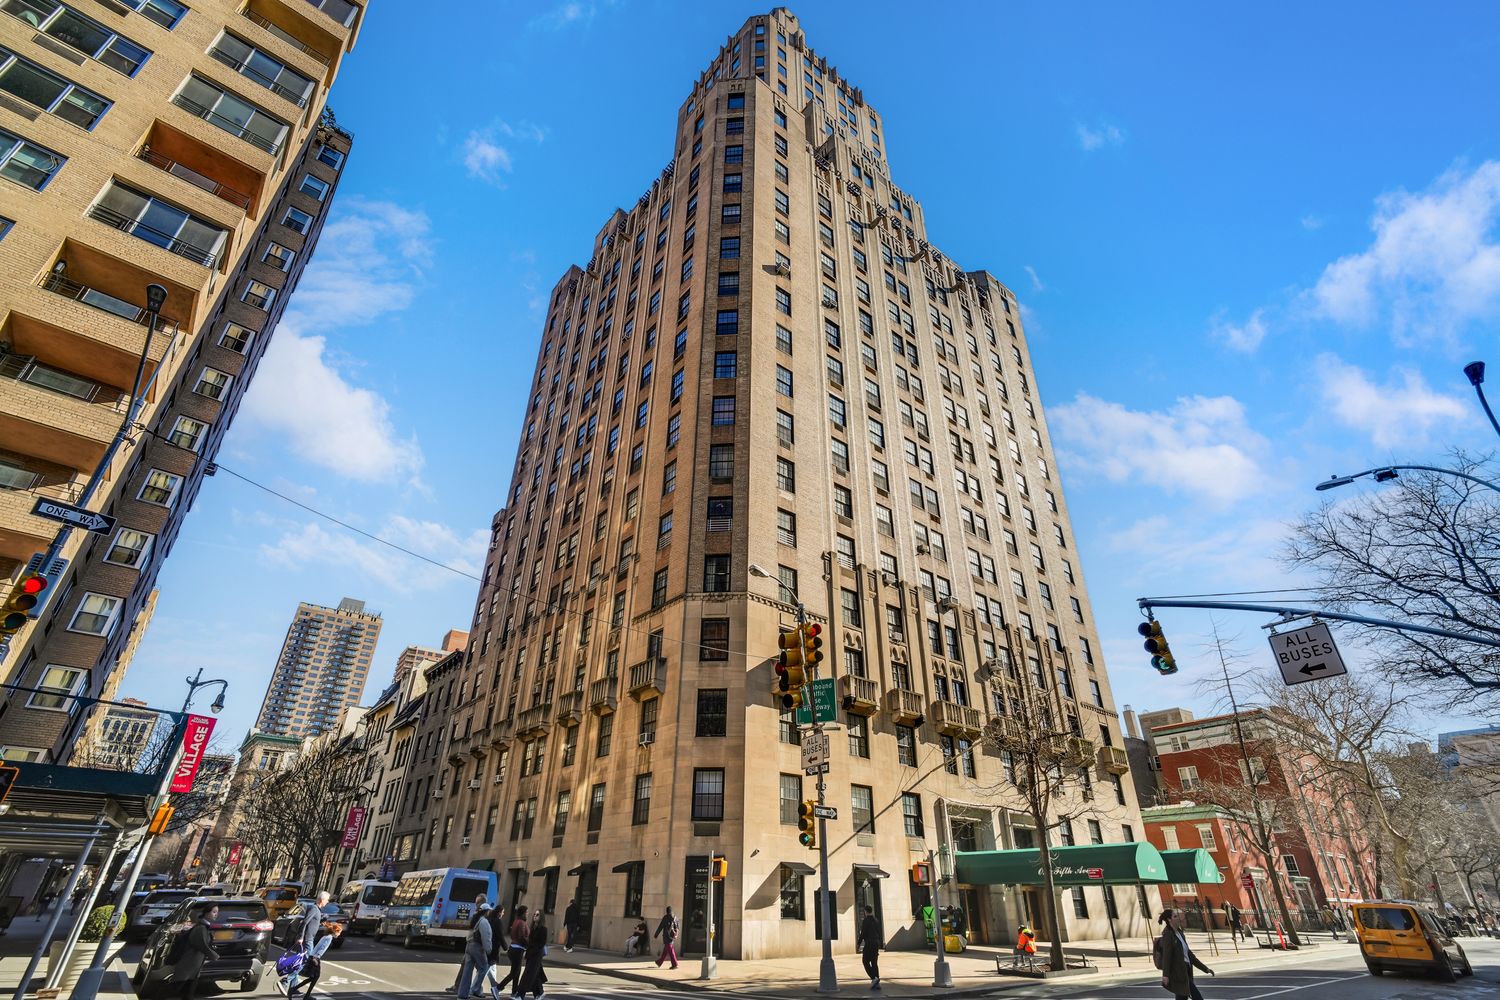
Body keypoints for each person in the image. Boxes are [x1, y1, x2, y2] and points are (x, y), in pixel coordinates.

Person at [1158, 908, 1214, 1000]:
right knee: (1197, 997)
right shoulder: (1168, 935)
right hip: (1179, 974)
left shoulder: (1179, 933)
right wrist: (1166, 975)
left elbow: (1189, 955)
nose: (1178, 918)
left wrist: (1205, 968)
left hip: (1186, 971)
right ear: (1169, 919)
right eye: (1175, 916)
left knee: (1181, 998)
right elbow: (1167, 957)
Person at [285, 893, 332, 997]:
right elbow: (304, 923)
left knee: (300, 961)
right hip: (307, 940)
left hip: (308, 939)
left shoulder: (317, 910)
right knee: (305, 961)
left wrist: (321, 920)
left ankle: (293, 988)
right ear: (322, 899)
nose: (328, 902)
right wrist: (301, 937)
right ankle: (286, 980)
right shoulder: (314, 909)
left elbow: (311, 924)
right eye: (327, 900)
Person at [448, 895, 494, 994]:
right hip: (477, 947)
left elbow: (470, 933)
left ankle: (462, 994)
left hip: (469, 945)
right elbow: (486, 938)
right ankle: (476, 989)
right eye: (489, 911)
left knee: (467, 971)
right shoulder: (484, 922)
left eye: (477, 902)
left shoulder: (475, 918)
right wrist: (488, 950)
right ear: (486, 912)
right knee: (484, 967)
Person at [173, 904, 220, 1000]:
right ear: (206, 913)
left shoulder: (204, 926)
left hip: (194, 964)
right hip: (188, 963)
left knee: (187, 992)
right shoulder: (201, 928)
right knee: (177, 988)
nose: (216, 914)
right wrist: (214, 955)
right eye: (214, 912)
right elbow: (201, 944)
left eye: (217, 912)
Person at [289, 924, 340, 1000]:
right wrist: (316, 958)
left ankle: (296, 991)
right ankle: (302, 994)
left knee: (313, 977)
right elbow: (322, 948)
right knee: (315, 977)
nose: (339, 934)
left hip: (312, 956)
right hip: (315, 958)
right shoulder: (329, 938)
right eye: (339, 932)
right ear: (335, 931)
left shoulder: (325, 936)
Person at [496, 905, 528, 995]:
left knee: (516, 971)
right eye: (526, 912)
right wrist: (529, 944)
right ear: (523, 913)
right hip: (518, 949)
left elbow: (512, 935)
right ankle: (498, 988)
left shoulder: (515, 921)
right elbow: (522, 937)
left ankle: (514, 992)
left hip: (513, 948)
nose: (527, 914)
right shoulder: (521, 922)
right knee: (515, 972)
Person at [514, 914, 548, 1000]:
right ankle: (539, 993)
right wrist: (527, 950)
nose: (535, 916)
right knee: (535, 974)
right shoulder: (533, 928)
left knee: (528, 974)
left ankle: (520, 995)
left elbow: (541, 943)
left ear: (541, 917)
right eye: (534, 914)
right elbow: (530, 941)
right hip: (530, 954)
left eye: (537, 915)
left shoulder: (543, 929)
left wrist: (532, 950)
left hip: (536, 954)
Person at [859, 905, 882, 991]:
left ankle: (874, 978)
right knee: (874, 963)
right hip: (876, 943)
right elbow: (879, 932)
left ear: (865, 911)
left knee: (865, 961)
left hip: (869, 943)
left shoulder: (866, 921)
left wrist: (858, 943)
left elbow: (863, 933)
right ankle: (877, 983)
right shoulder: (876, 920)